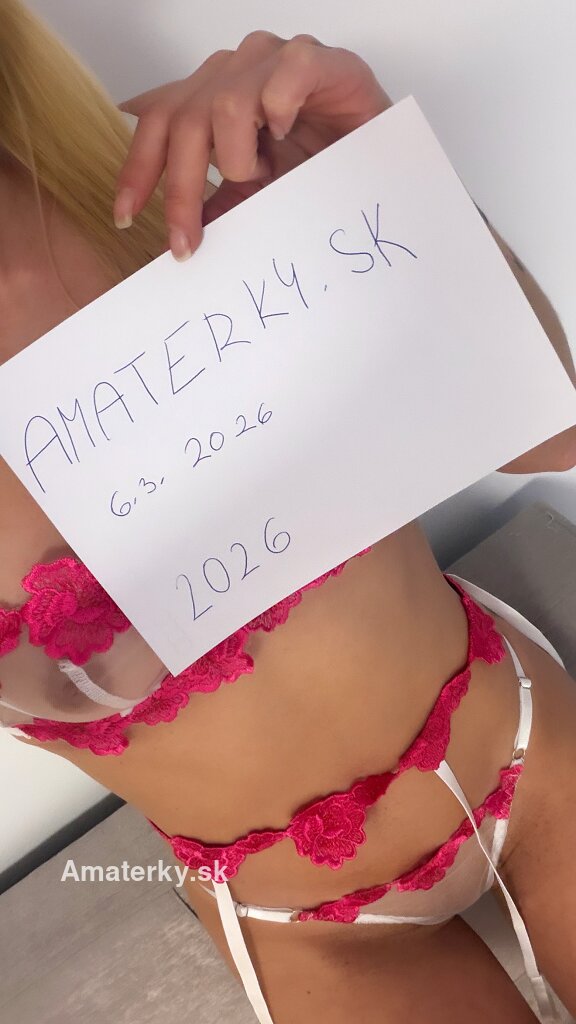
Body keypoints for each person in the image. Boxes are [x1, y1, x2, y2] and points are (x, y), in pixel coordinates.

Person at [1, 4, 575, 1021]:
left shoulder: (144, 174)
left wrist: (384, 176)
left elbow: (556, 436)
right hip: (305, 919)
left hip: (522, 739)